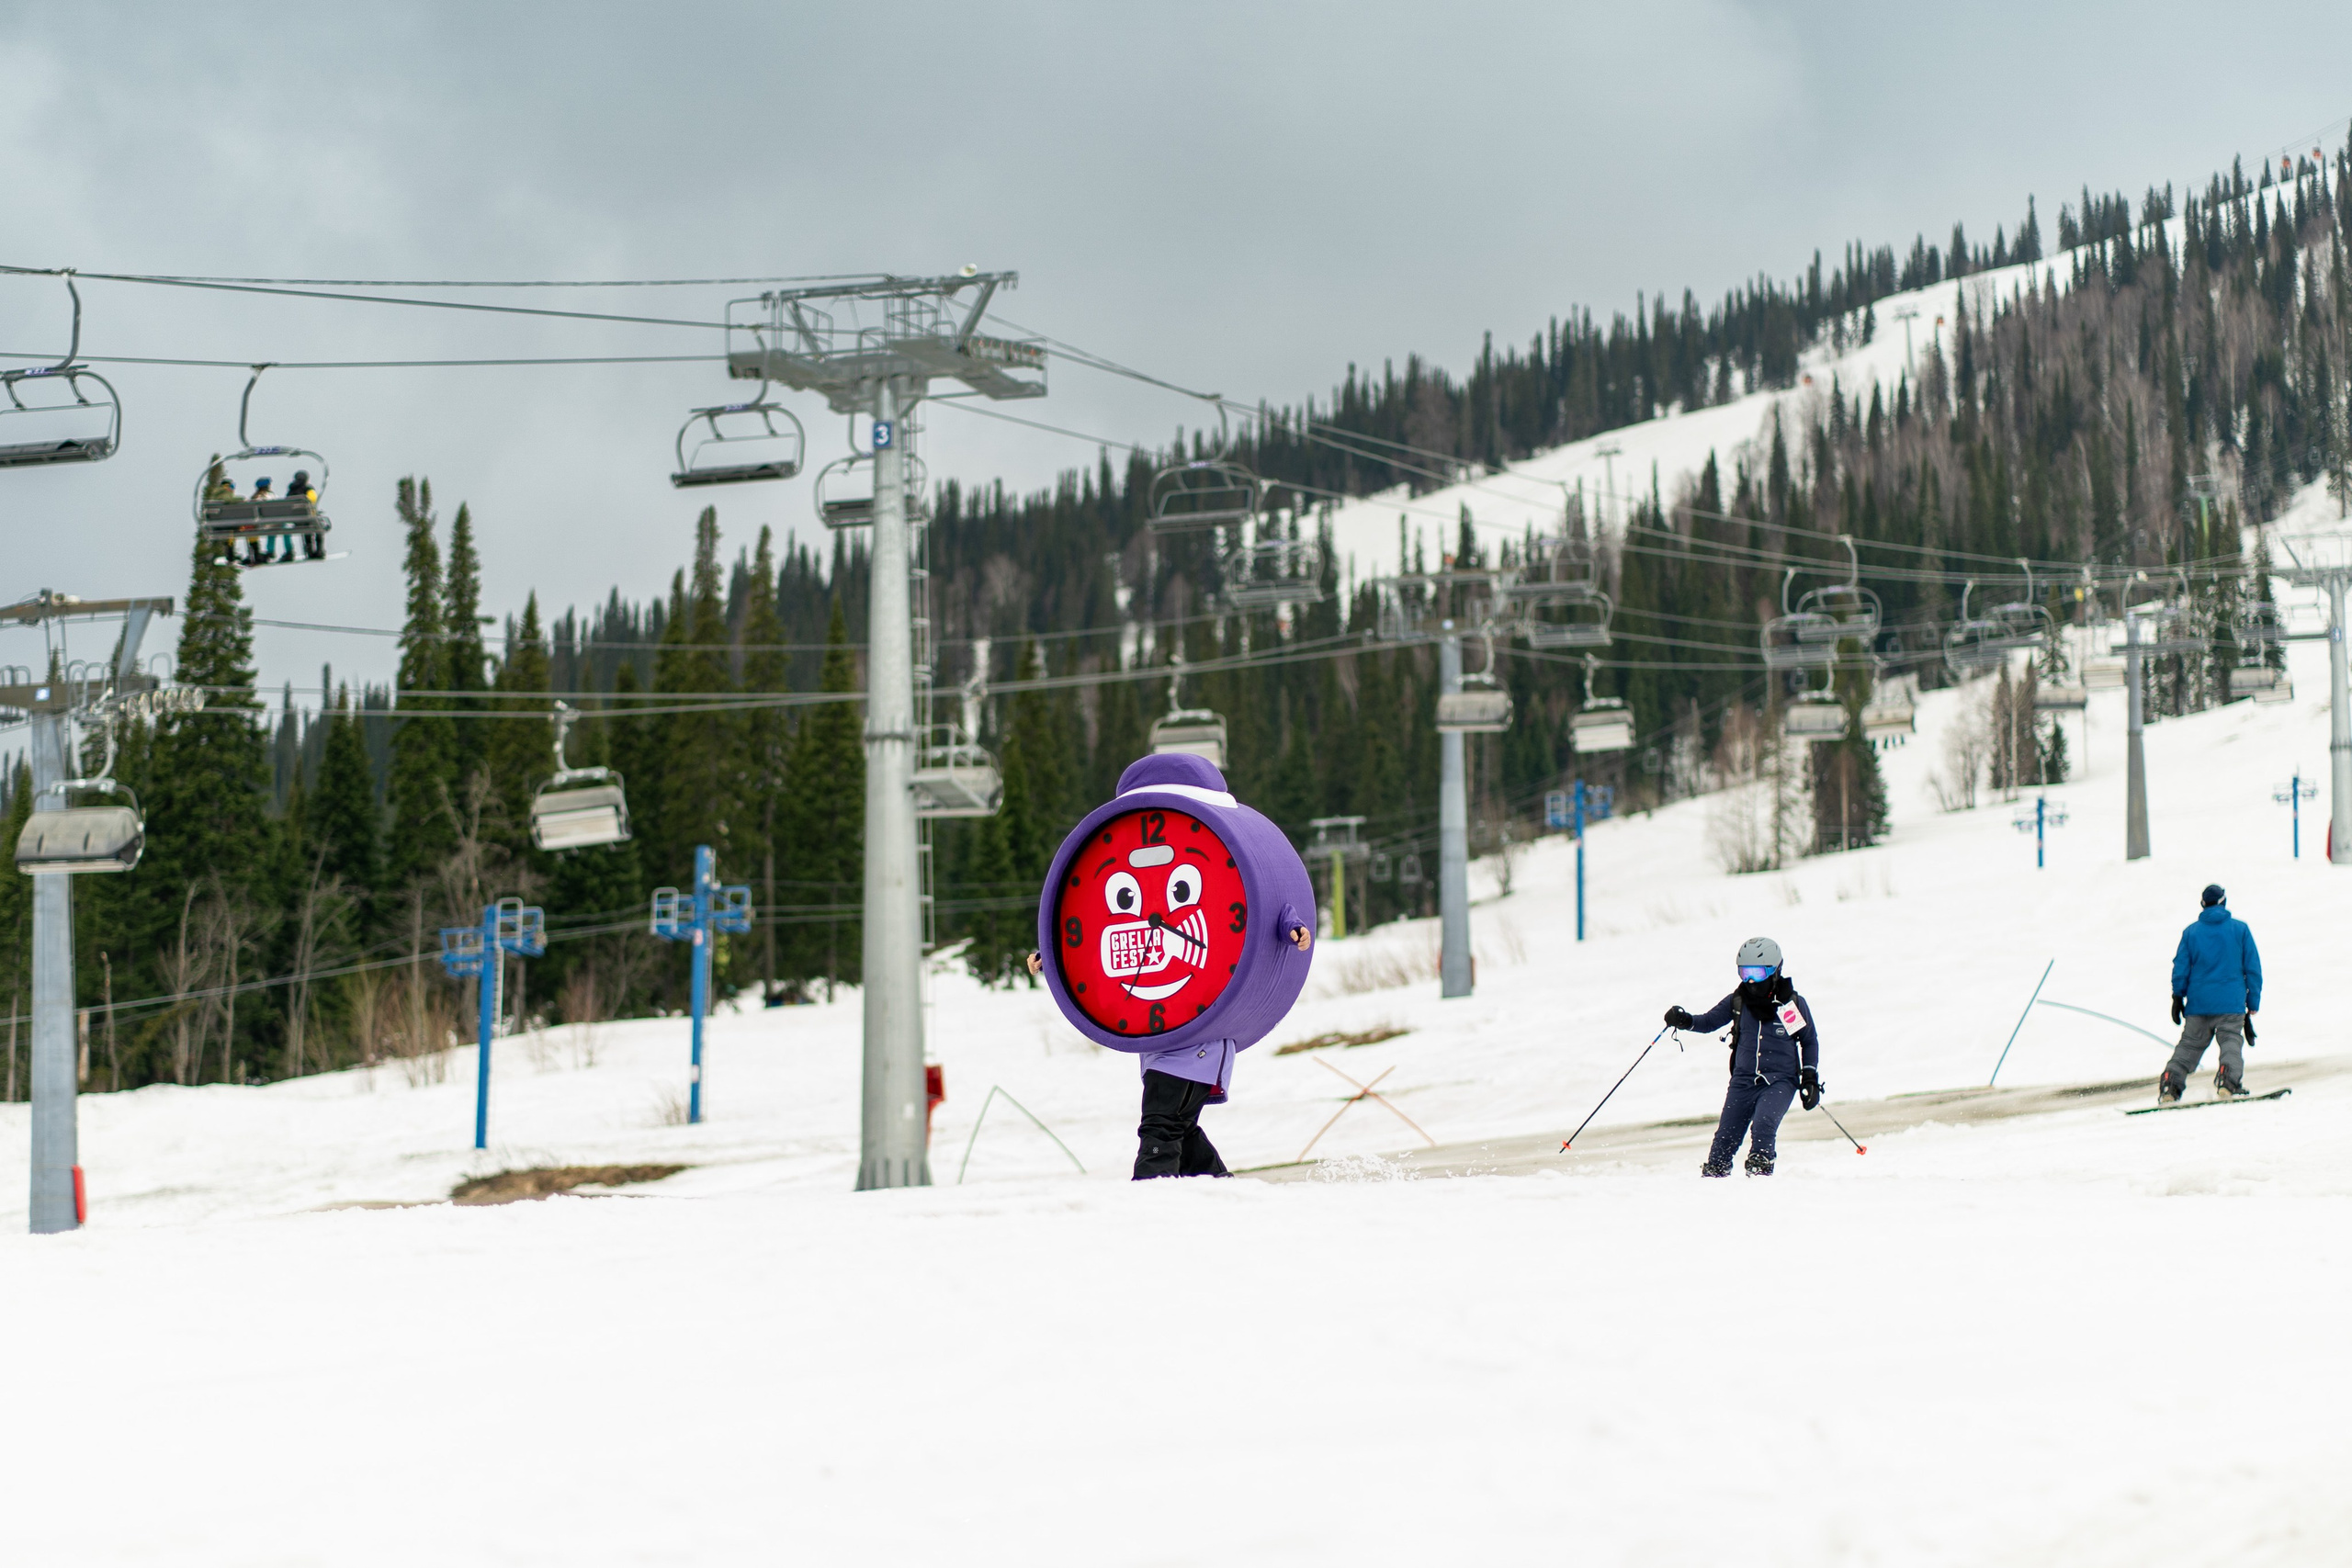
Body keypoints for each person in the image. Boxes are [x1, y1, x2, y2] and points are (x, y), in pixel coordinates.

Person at [1663, 935, 1822, 1177]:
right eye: (1744, 972)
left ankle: (1760, 1173)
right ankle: (1715, 1181)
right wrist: (1685, 1021)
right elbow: (1708, 1022)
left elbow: (1807, 1041)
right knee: (1724, 1139)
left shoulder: (1787, 1006)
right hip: (1743, 1082)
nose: (1749, 981)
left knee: (1764, 1123)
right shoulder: (1739, 1001)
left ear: (1774, 970)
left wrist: (1809, 1077)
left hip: (1780, 1081)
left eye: (1756, 973)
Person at [2161, 884, 2261, 1104]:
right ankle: (2228, 1081)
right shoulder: (2240, 930)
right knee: (2230, 1043)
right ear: (2224, 902)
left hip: (2199, 1004)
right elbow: (2252, 968)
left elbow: (2181, 967)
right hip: (2230, 1004)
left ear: (2203, 904)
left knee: (2189, 1046)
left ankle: (2170, 1084)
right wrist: (2252, 1003)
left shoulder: (2191, 932)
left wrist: (2178, 997)